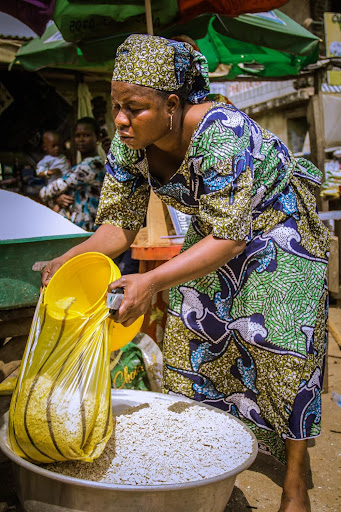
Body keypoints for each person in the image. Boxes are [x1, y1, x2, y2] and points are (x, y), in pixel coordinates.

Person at [41, 35, 330, 512]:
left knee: (281, 349)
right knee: (195, 342)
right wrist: (71, 257)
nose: (120, 119)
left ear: (171, 105)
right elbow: (119, 226)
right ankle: (215, 467)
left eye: (134, 108)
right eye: (115, 106)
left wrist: (151, 280)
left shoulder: (223, 131)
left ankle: (294, 485)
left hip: (280, 229)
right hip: (217, 231)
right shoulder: (129, 143)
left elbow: (233, 239)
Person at [39, 117, 105, 232]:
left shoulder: (90, 166)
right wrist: (59, 198)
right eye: (78, 136)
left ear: (97, 138)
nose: (81, 140)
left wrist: (53, 196)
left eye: (86, 135)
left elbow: (46, 192)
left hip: (89, 231)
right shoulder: (84, 165)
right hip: (83, 229)